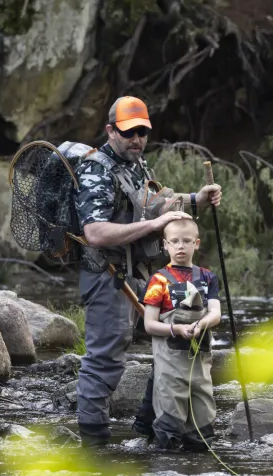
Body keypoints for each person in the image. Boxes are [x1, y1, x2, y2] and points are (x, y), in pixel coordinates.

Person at [74, 95, 222, 447]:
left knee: (172, 340)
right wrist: (155, 224)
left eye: (142, 132)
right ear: (111, 131)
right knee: (104, 362)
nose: (137, 139)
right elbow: (95, 233)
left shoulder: (137, 164)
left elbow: (155, 200)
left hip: (137, 274)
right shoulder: (96, 168)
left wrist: (197, 199)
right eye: (129, 133)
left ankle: (146, 425)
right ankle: (93, 447)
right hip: (106, 276)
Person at [141, 218, 221, 450]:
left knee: (202, 426)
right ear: (165, 245)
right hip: (169, 362)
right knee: (170, 421)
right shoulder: (158, 280)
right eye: (174, 241)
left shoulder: (208, 278)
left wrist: (202, 323)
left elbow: (215, 313)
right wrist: (176, 329)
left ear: (196, 244)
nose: (180, 246)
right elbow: (149, 324)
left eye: (186, 241)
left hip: (200, 360)